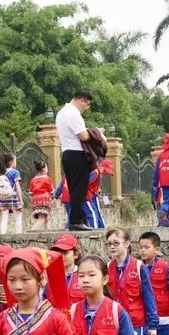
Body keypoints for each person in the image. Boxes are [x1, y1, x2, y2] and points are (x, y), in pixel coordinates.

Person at [56, 91, 96, 231]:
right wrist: (97, 134)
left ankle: (80, 219)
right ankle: (75, 221)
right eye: (88, 104)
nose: (87, 108)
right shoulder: (73, 114)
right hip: (77, 154)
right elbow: (83, 136)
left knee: (74, 188)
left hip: (66, 153)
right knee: (79, 189)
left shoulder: (61, 112)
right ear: (82, 101)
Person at [50, 233, 85, 305]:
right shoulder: (51, 277)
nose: (61, 256)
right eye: (58, 253)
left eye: (65, 253)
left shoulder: (84, 275)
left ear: (76, 255)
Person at [0, 153, 24, 235]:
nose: (16, 163)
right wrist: (21, 199)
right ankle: (18, 234)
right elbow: (17, 186)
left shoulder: (1, 173)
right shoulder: (15, 172)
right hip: (12, 196)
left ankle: (3, 234)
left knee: (4, 217)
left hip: (2, 198)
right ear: (11, 162)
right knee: (18, 216)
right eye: (15, 161)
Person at [28, 160, 54, 232]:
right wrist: (53, 197)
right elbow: (51, 190)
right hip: (44, 199)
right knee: (42, 218)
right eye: (46, 167)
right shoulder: (47, 178)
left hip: (36, 199)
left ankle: (48, 232)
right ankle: (31, 232)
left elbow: (30, 192)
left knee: (46, 217)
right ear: (44, 169)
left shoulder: (33, 179)